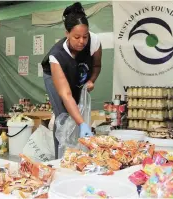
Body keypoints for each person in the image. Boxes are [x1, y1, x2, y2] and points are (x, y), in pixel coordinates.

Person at [41, 2, 102, 159]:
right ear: (67, 33)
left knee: (77, 110)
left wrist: (91, 80)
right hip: (54, 76)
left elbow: (96, 65)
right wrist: (82, 123)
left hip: (76, 73)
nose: (82, 41)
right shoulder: (57, 56)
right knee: (63, 116)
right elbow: (66, 94)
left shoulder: (94, 42)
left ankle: (78, 155)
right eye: (77, 37)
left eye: (85, 36)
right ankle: (61, 157)